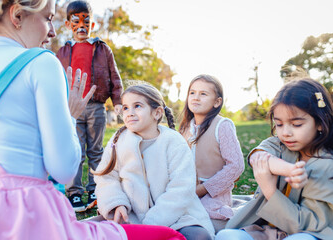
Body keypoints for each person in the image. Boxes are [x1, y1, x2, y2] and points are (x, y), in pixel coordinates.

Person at [0, 0, 186, 239]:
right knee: (169, 236)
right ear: (18, 15)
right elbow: (63, 170)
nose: (52, 31)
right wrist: (70, 115)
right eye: (48, 18)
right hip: (29, 213)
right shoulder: (41, 62)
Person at [94, 83, 215, 240]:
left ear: (157, 113)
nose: (129, 113)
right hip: (132, 217)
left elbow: (181, 188)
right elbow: (106, 177)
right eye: (125, 108)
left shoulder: (173, 141)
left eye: (137, 106)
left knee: (199, 237)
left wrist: (151, 224)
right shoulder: (118, 140)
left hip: (177, 218)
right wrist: (117, 203)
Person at [216, 77, 333, 240]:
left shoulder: (326, 165)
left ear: (320, 123)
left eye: (296, 124)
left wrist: (269, 190)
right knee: (226, 236)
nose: (286, 132)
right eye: (279, 124)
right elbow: (258, 157)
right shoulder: (279, 143)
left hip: (308, 233)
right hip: (267, 230)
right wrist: (291, 170)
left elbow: (304, 225)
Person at [56, 0, 123, 212]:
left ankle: (96, 188)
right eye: (76, 21)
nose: (81, 26)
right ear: (68, 24)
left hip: (96, 106)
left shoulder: (102, 49)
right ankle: (74, 193)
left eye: (86, 21)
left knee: (96, 150)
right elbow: (56, 79)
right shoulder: (63, 52)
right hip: (72, 108)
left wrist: (118, 101)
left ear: (92, 24)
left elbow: (114, 76)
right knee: (76, 150)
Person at [179, 74, 245, 231]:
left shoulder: (222, 125)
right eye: (192, 93)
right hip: (187, 192)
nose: (196, 98)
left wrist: (203, 189)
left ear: (217, 102)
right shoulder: (185, 128)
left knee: (203, 223)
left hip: (213, 196)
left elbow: (236, 166)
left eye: (203, 94)